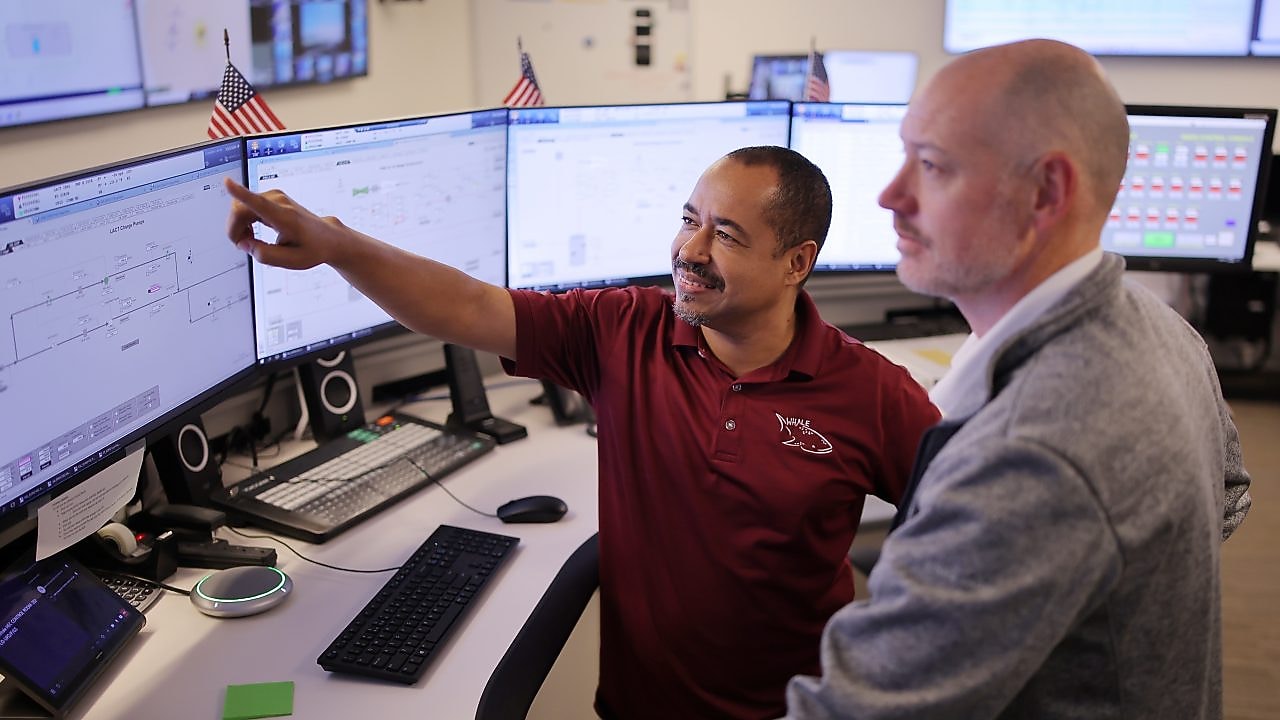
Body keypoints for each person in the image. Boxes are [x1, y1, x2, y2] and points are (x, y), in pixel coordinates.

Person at [224, 145, 941, 720]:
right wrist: (336, 245)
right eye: (689, 218)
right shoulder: (624, 329)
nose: (691, 250)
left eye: (725, 235)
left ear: (797, 262)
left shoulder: (869, 393)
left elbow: (968, 532)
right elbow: (469, 308)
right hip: (636, 707)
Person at [782, 39, 1253, 719]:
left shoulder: (1033, 449)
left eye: (933, 165)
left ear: (1046, 192)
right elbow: (1228, 496)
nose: (891, 194)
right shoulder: (1161, 326)